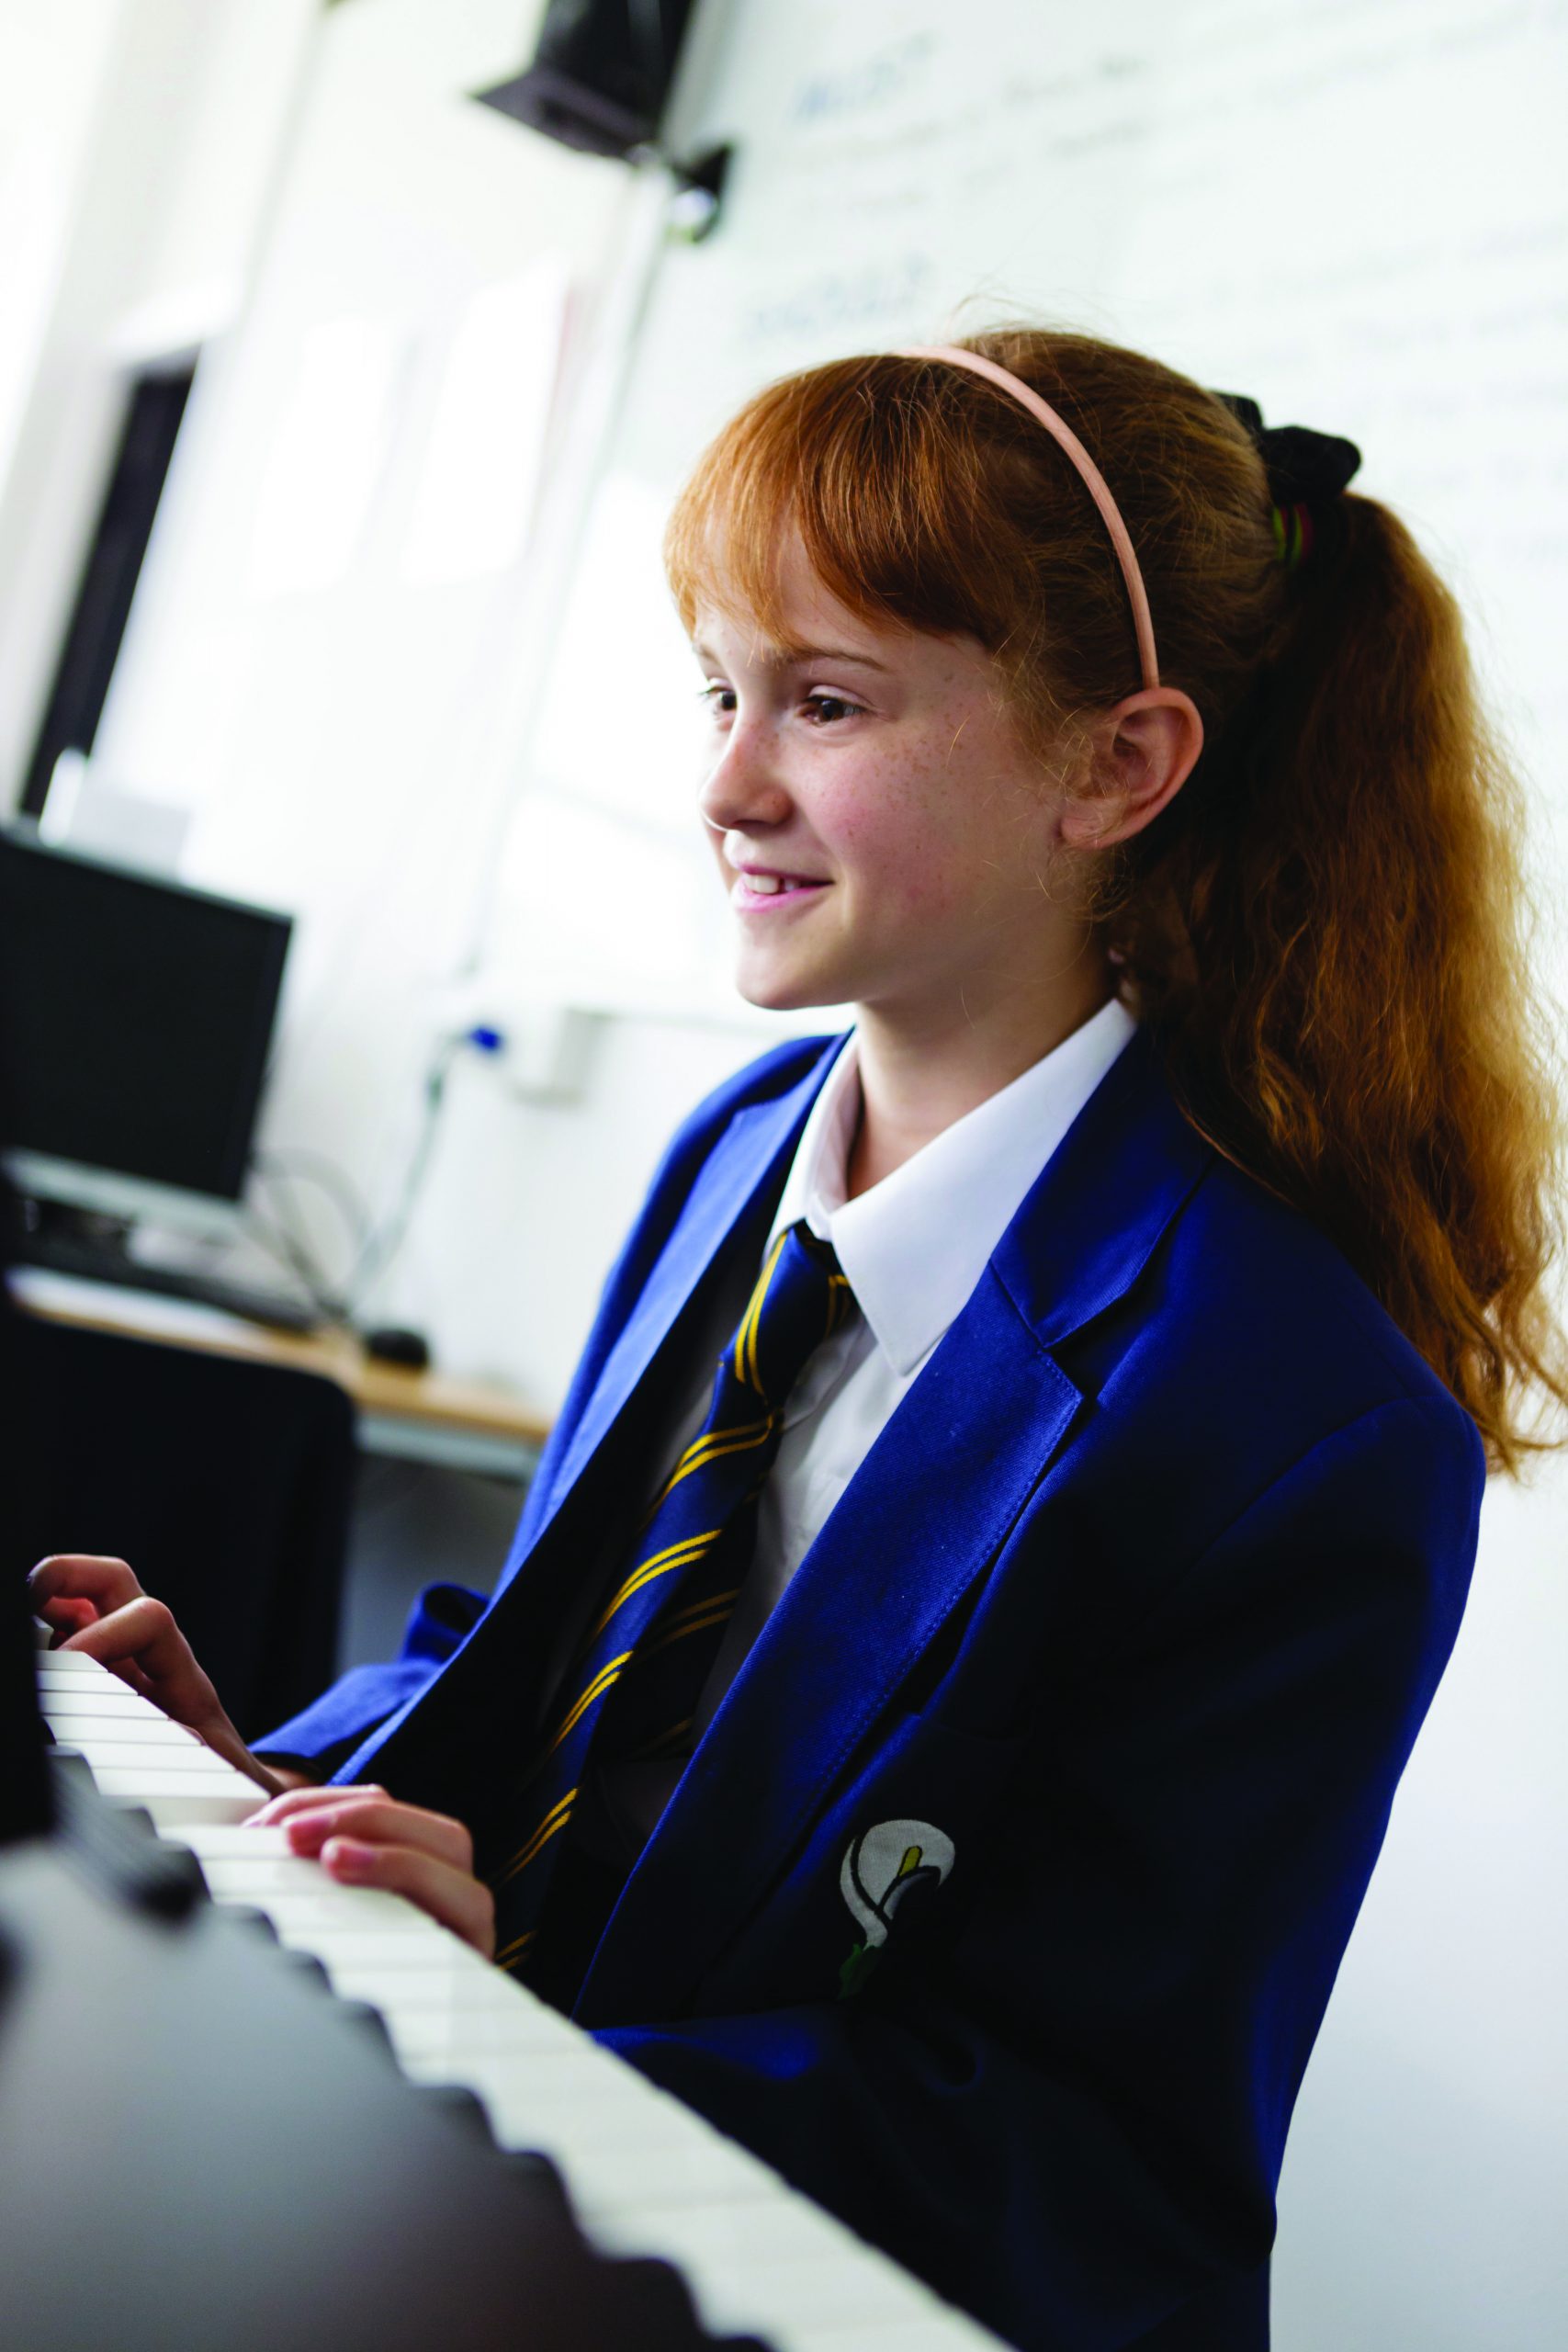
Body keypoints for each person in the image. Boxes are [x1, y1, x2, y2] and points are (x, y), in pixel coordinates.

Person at [30, 329, 1568, 2352]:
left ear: (1116, 764)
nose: (723, 785)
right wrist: (274, 1790)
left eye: (824, 702)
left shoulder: (1298, 1411)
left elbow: (1080, 2155)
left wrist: (516, 2028)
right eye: (717, 692)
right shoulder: (744, 1144)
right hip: (486, 2186)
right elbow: (546, 1654)